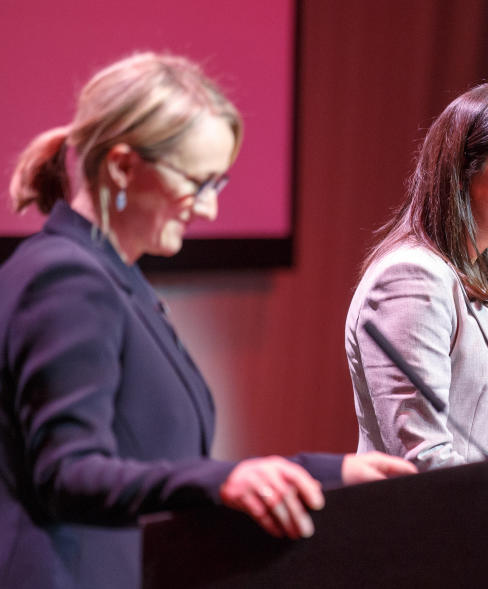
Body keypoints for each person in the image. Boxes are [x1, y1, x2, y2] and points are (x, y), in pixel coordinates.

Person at [0, 52, 415, 589]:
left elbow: (159, 462)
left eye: (216, 186)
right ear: (124, 166)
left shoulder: (103, 277)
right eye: (198, 182)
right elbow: (69, 473)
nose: (208, 210)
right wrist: (225, 481)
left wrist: (330, 473)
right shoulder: (67, 279)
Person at [345, 83, 488, 470]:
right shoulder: (411, 278)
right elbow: (422, 457)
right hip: (446, 527)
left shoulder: (472, 277)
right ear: (463, 172)